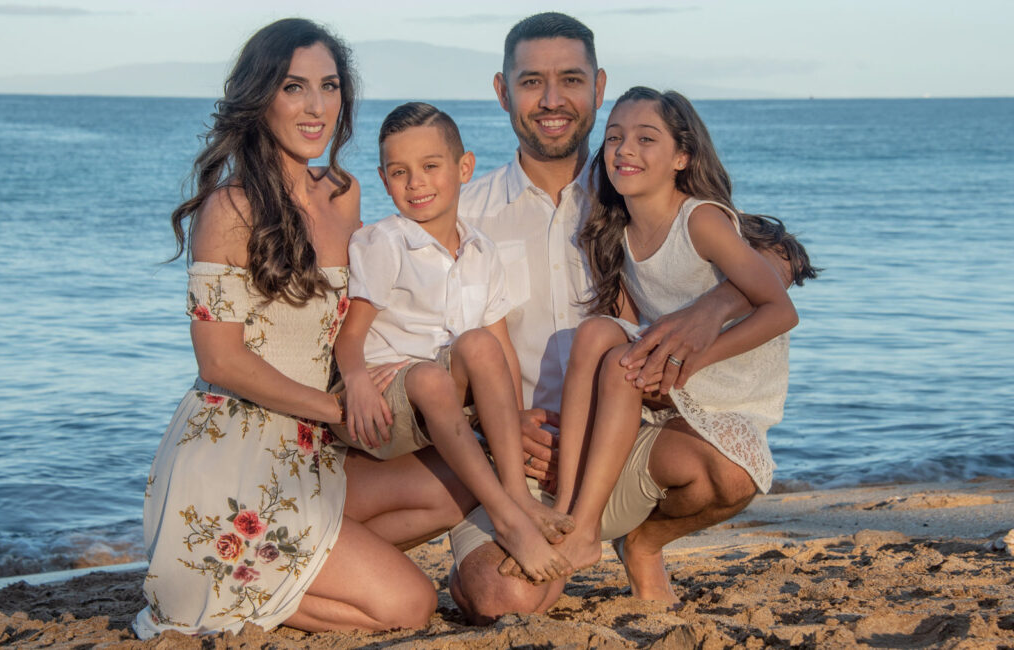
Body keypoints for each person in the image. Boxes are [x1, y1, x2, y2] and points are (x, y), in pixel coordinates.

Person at [449, 12, 817, 621]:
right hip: (514, 462)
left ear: (598, 87)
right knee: (505, 600)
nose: (552, 100)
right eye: (532, 81)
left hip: (616, 440)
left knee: (726, 473)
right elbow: (423, 346)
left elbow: (773, 252)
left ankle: (640, 543)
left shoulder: (630, 189)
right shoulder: (464, 214)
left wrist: (711, 309)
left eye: (571, 80)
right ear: (502, 90)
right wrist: (492, 422)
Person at [134, 19, 473, 637]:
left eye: (330, 86)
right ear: (260, 96)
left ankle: (298, 562)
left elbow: (369, 314)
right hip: (237, 458)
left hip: (319, 452)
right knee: (409, 605)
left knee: (460, 480)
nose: (317, 106)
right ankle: (228, 582)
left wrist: (406, 384)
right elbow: (220, 362)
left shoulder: (344, 193)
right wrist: (337, 409)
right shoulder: (230, 207)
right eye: (294, 87)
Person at [542, 86, 799, 573]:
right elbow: (624, 321)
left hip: (725, 376)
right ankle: (569, 507)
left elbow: (781, 311)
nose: (625, 150)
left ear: (682, 157)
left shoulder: (700, 220)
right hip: (674, 371)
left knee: (621, 363)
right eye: (614, 137)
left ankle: (588, 527)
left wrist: (696, 358)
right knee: (595, 335)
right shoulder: (618, 232)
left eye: (646, 138)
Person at [332, 102, 573, 583]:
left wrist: (513, 419)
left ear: (464, 168)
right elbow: (350, 333)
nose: (415, 183)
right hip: (379, 401)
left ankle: (517, 496)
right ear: (383, 180)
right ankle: (507, 519)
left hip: (441, 404)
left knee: (479, 343)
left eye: (430, 166)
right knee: (428, 378)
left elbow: (500, 350)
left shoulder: (481, 250)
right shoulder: (386, 242)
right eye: (399, 172)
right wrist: (355, 381)